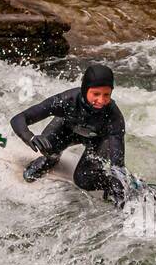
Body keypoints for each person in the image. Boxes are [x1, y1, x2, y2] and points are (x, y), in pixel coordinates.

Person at [10, 65, 127, 206]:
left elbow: (117, 164)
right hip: (69, 129)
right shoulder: (66, 100)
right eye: (96, 94)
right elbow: (19, 118)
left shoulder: (113, 117)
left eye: (106, 95)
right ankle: (51, 159)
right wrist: (31, 137)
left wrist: (118, 183)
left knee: (83, 180)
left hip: (99, 140)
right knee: (46, 144)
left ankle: (112, 183)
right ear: (85, 90)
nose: (101, 100)